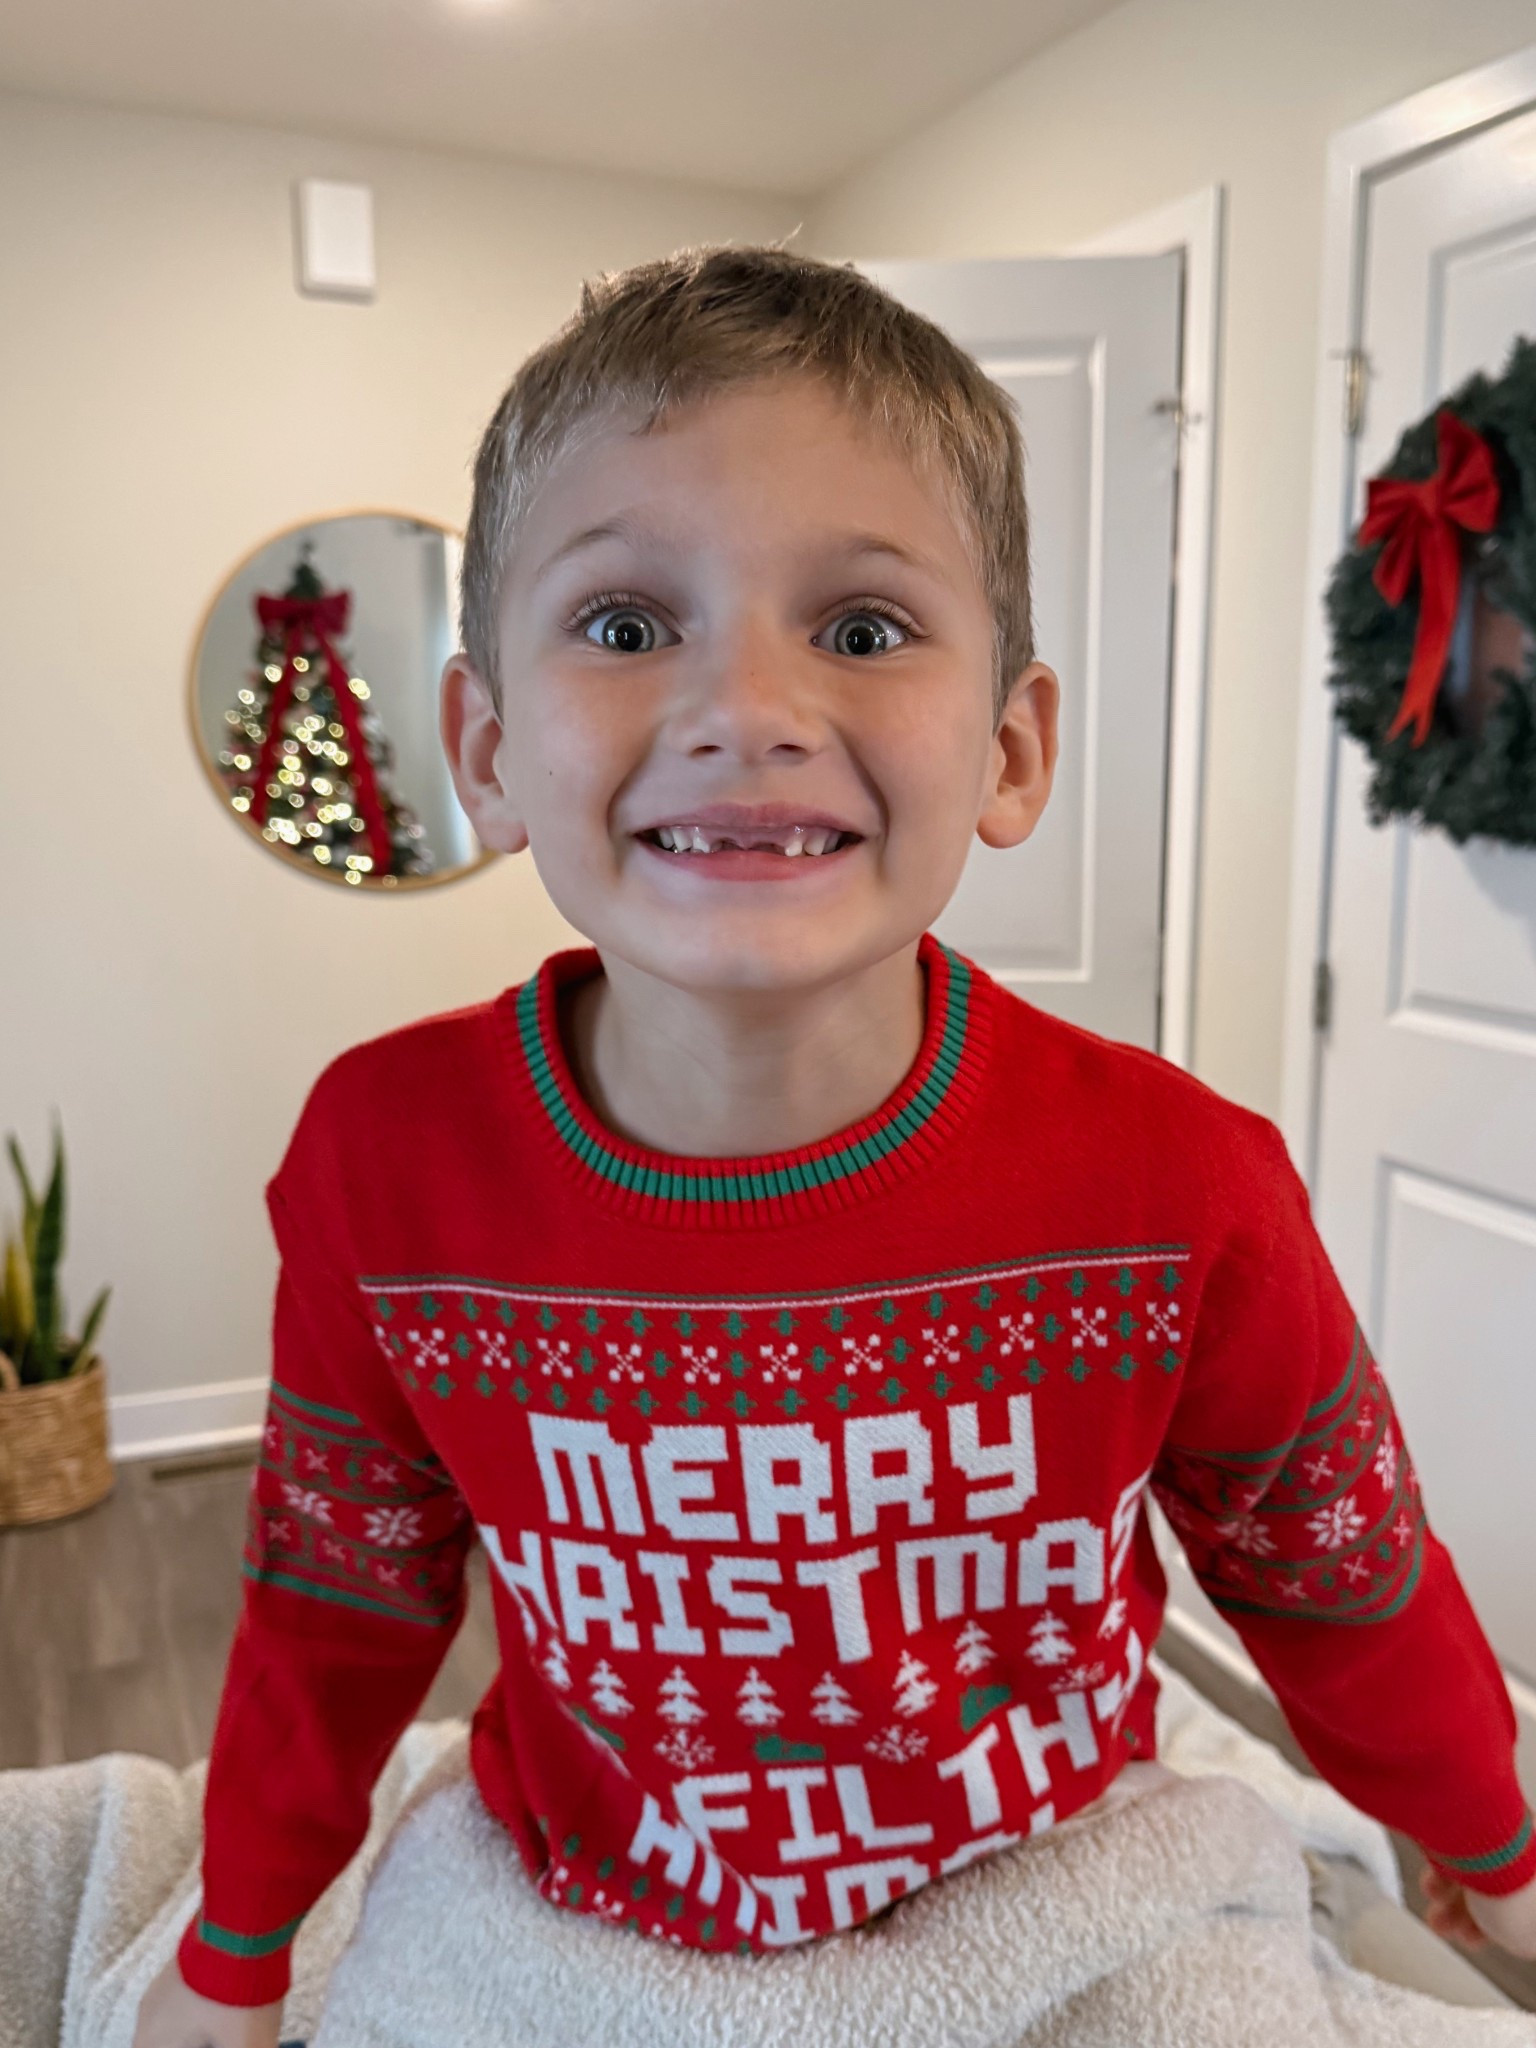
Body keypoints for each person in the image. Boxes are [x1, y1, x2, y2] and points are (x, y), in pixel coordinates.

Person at [133, 243, 1536, 2048]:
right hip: (580, 1908)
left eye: (862, 630)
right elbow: (336, 1596)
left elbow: (1335, 1573)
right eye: (630, 627)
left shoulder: (1181, 1188)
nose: (750, 710)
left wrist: (1489, 1838)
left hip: (1062, 1884)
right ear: (484, 748)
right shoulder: (379, 1168)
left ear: (1013, 752)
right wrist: (235, 1947)